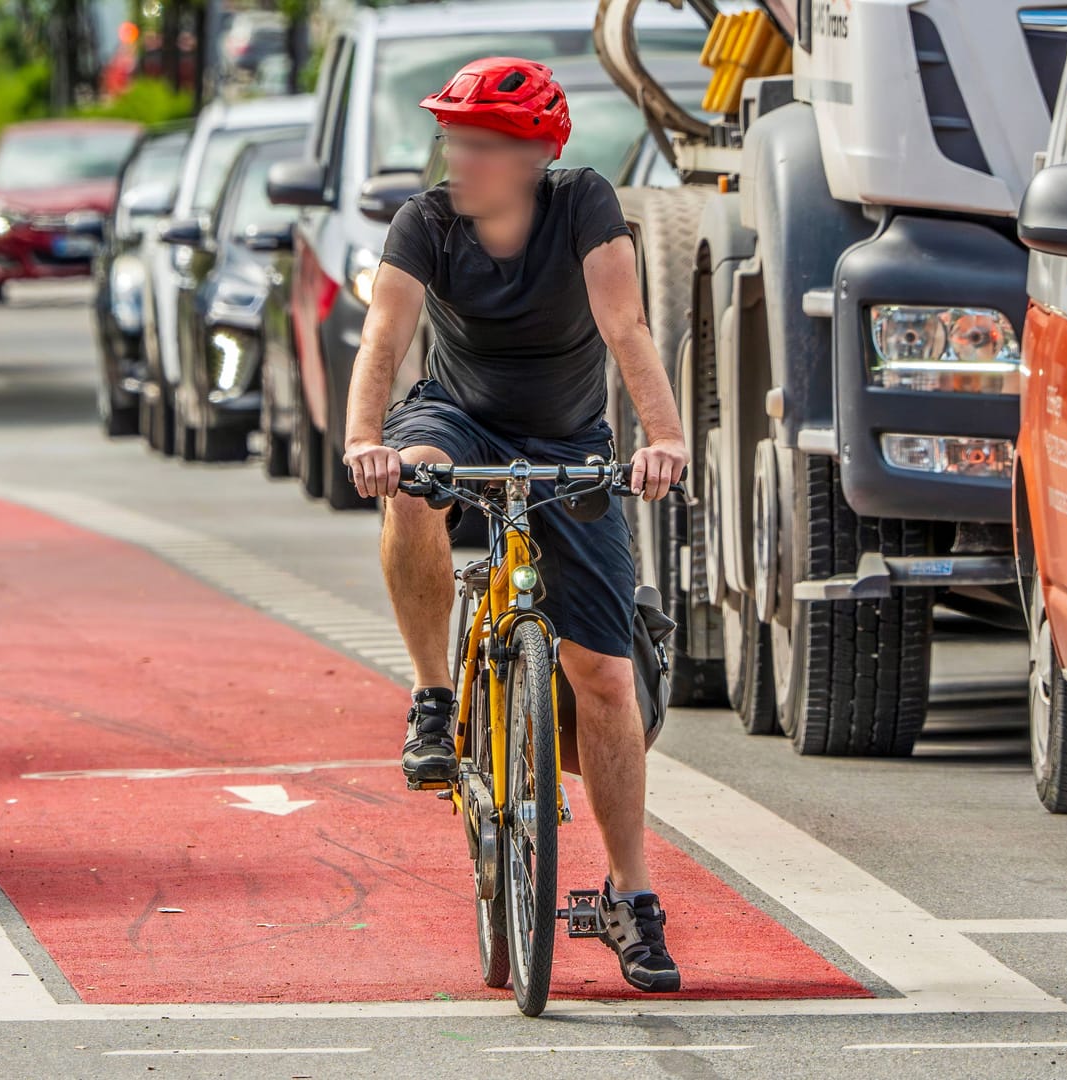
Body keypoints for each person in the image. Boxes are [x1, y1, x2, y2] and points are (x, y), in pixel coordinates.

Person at [342, 57, 690, 994]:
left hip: (570, 436)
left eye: (484, 144)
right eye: (453, 138)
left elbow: (625, 327)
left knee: (606, 679)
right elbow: (384, 335)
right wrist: (363, 437)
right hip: (456, 418)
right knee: (413, 482)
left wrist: (663, 438)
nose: (461, 158)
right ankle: (432, 697)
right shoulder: (426, 221)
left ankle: (630, 898)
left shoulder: (584, 205)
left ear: (539, 154)